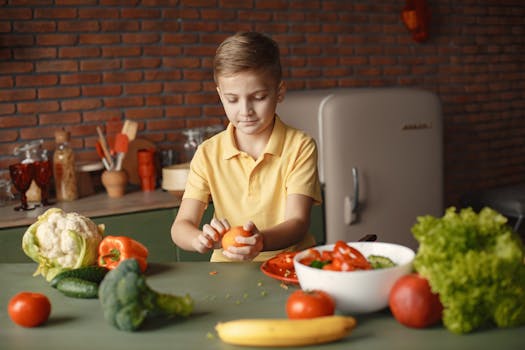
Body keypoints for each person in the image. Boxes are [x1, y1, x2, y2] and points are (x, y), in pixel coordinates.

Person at [170, 31, 322, 262]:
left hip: (288, 266)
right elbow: (181, 226)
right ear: (220, 95)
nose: (245, 110)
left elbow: (298, 223)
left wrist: (260, 241)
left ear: (279, 92)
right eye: (232, 99)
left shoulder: (300, 146)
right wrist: (198, 239)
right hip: (226, 271)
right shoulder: (208, 153)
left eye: (258, 97)